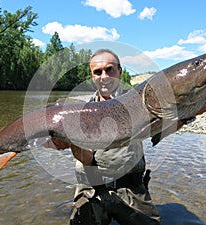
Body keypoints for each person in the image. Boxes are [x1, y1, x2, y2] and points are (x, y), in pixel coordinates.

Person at [69, 49, 161, 225]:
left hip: (131, 187)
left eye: (109, 69)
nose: (104, 76)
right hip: (91, 188)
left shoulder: (139, 103)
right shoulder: (82, 112)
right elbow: (86, 159)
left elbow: (161, 128)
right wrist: (72, 140)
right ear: (92, 76)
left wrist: (187, 116)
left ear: (120, 71)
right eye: (97, 72)